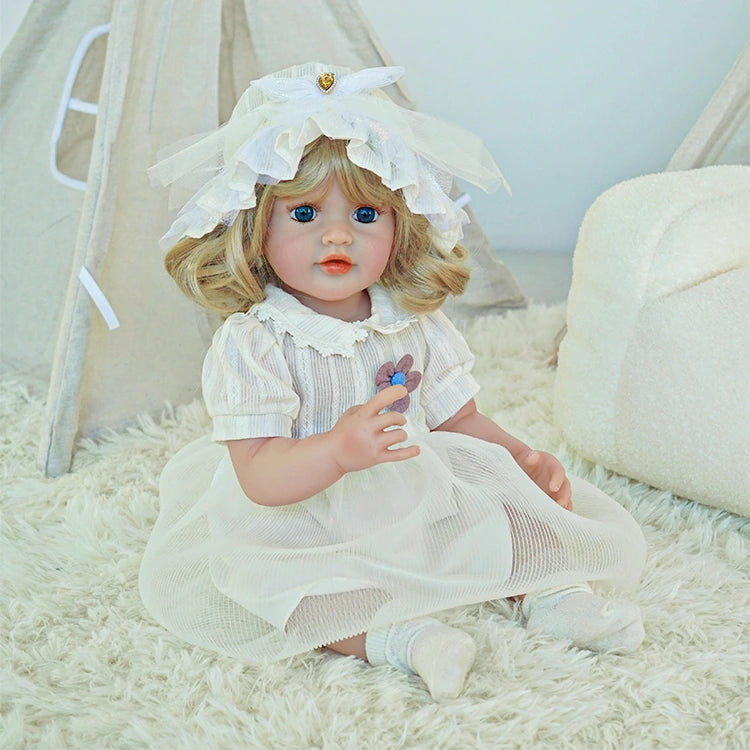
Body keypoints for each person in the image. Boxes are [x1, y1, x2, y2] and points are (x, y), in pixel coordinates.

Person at [139, 63, 646, 701]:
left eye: (366, 212)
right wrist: (336, 451)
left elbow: (459, 421)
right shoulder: (256, 341)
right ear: (256, 231)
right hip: (306, 512)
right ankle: (406, 641)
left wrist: (519, 458)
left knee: (508, 513)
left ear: (400, 227)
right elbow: (261, 475)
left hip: (415, 490)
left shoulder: (410, 326)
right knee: (281, 592)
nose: (337, 233)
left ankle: (557, 598)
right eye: (303, 212)